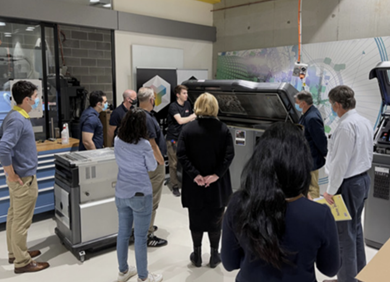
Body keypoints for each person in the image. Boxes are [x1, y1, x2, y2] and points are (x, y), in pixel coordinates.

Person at [221, 122, 340, 281]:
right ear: (301, 164)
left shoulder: (238, 203)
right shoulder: (319, 215)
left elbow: (230, 263)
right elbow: (330, 269)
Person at [177, 92, 234, 268]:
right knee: (216, 218)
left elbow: (181, 155)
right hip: (217, 184)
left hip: (195, 184)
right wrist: (216, 174)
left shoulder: (187, 129)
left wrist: (196, 175)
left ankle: (197, 254)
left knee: (196, 218)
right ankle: (215, 255)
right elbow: (229, 155)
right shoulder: (223, 129)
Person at [323, 85, 373, 282]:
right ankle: (358, 275)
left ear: (337, 104)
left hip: (348, 184)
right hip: (362, 181)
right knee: (355, 230)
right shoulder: (364, 121)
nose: (332, 109)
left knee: (343, 234)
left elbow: (340, 164)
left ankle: (345, 279)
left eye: (332, 106)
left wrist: (330, 191)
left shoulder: (345, 126)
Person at [0, 81, 50, 273]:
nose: (38, 100)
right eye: (36, 97)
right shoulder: (17, 119)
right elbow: (4, 147)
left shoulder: (17, 115)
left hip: (21, 177)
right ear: (27, 99)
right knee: (21, 221)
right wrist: (11, 174)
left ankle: (16, 253)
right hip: (23, 179)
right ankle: (22, 262)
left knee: (14, 217)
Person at [114, 108, 163, 282]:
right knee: (141, 238)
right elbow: (152, 166)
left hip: (121, 192)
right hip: (140, 193)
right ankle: (143, 277)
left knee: (123, 233)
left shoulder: (117, 140)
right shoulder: (143, 145)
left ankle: (123, 271)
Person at [138, 87, 168, 247]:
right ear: (151, 100)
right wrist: (161, 160)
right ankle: (148, 234)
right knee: (152, 199)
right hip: (153, 165)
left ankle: (143, 227)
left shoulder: (135, 114)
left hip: (141, 163)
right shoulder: (147, 118)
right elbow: (151, 142)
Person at [295, 90, 328, 199]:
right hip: (305, 158)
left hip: (311, 159)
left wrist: (324, 153)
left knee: (312, 187)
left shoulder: (312, 117)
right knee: (306, 186)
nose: (296, 104)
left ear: (303, 103)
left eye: (297, 102)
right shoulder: (307, 113)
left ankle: (313, 210)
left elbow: (320, 139)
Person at [166, 85, 196, 197]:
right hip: (173, 138)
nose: (186, 95)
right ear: (177, 95)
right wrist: (194, 115)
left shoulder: (188, 104)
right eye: (184, 93)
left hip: (185, 138)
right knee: (173, 163)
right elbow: (180, 120)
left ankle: (187, 183)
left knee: (187, 162)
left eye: (187, 93)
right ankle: (174, 186)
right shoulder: (173, 107)